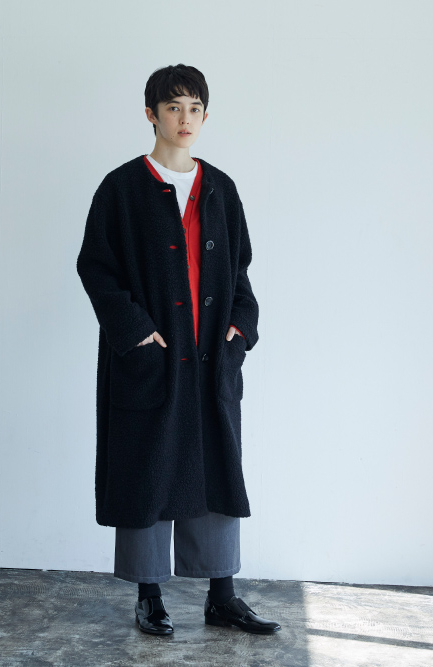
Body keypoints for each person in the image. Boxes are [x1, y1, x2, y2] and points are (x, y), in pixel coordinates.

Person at [75, 64, 281, 635]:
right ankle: (149, 596)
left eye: (194, 108)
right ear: (151, 114)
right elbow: (96, 268)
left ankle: (223, 597)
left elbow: (240, 271)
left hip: (213, 357)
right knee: (148, 470)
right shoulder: (121, 188)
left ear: (205, 115)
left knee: (216, 469)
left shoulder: (221, 188)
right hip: (154, 357)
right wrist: (138, 333)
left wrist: (241, 329)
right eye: (173, 108)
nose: (184, 118)